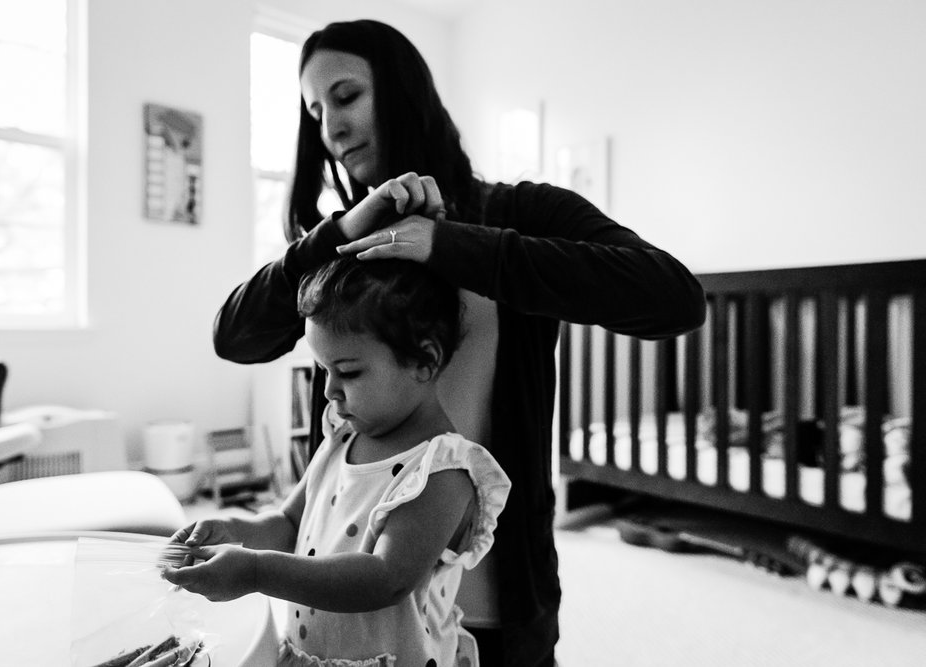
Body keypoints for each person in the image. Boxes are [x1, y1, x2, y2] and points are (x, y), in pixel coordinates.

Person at [211, 18, 707, 666]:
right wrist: (338, 232)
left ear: (401, 91)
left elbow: (674, 296)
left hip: (495, 607)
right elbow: (234, 336)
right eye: (313, 110)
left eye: (345, 95)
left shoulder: (519, 215)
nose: (329, 127)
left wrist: (453, 245)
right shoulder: (340, 246)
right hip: (346, 605)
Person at [166, 257, 511, 666]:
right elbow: (291, 522)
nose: (330, 390)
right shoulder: (342, 438)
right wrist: (234, 529)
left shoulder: (441, 471)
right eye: (323, 370)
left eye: (348, 371)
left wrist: (257, 572)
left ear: (425, 362)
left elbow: (384, 579)